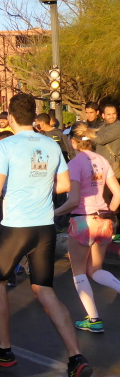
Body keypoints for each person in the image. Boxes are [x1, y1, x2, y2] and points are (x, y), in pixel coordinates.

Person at [0, 93, 93, 377]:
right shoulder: (50, 144)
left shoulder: (6, 145)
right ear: (34, 116)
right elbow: (63, 185)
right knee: (44, 289)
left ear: (10, 116)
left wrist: (1, 186)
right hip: (44, 226)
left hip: (17, 226)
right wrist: (38, 186)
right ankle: (76, 358)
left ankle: (4, 350)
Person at [52, 122, 120, 332]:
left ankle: (94, 319)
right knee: (95, 269)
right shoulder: (102, 160)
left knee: (79, 273)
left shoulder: (74, 164)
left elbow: (73, 201)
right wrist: (109, 213)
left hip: (83, 221)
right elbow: (118, 193)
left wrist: (53, 213)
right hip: (104, 221)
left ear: (73, 142)